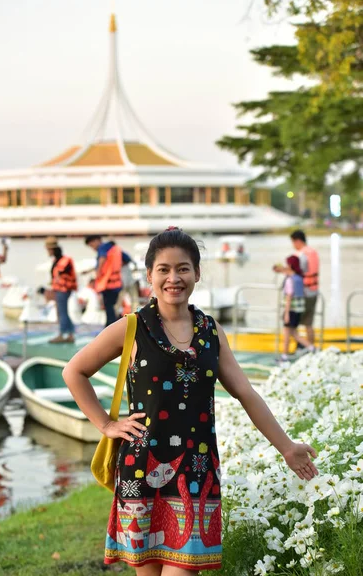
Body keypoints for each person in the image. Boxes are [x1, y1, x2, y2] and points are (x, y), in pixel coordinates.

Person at [63, 227, 318, 575]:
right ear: (149, 275)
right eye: (163, 269)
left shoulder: (211, 331)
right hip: (142, 470)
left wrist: (286, 446)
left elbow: (246, 392)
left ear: (197, 273)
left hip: (196, 474)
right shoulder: (132, 326)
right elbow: (74, 371)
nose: (173, 278)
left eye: (183, 268)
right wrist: (106, 425)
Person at [84, 235, 124, 327]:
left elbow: (102, 258)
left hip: (108, 285)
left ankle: (111, 330)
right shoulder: (114, 249)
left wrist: (97, 272)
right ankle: (114, 328)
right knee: (113, 308)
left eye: (91, 245)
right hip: (116, 284)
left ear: (96, 240)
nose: (92, 248)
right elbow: (126, 259)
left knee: (109, 309)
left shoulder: (102, 248)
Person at [280, 255, 313, 363]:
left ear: (290, 265)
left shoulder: (290, 280)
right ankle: (311, 348)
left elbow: (289, 296)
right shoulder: (299, 278)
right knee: (294, 333)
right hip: (298, 310)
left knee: (287, 334)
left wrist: (286, 314)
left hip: (291, 310)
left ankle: (284, 356)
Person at [290, 230, 319, 347]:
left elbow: (295, 273)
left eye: (293, 242)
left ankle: (308, 347)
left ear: (297, 241)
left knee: (292, 326)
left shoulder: (301, 255)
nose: (293, 245)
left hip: (303, 293)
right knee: (309, 324)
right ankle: (310, 348)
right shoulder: (313, 252)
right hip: (314, 291)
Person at [45, 237, 77, 343]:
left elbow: (61, 273)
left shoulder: (65, 260)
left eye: (48, 249)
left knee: (62, 312)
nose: (47, 252)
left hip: (64, 289)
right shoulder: (57, 260)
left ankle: (62, 334)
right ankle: (70, 334)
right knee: (64, 312)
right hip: (59, 289)